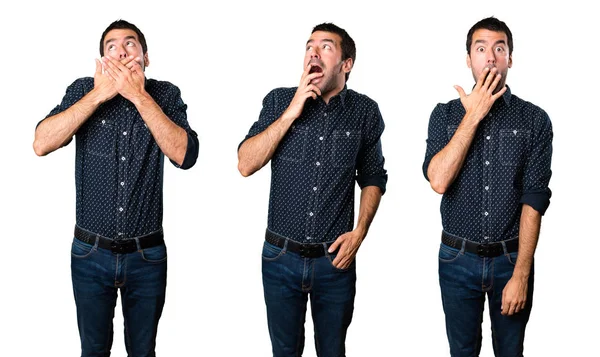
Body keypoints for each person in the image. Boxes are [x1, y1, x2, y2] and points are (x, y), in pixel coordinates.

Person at [33, 19, 198, 357]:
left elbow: (185, 155)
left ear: (146, 57)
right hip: (89, 253)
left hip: (147, 256)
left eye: (130, 44)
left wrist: (138, 97)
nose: (121, 51)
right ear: (102, 59)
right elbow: (41, 142)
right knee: (93, 351)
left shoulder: (165, 94)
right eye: (111, 47)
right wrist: (99, 94)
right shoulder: (83, 90)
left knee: (143, 351)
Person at [238, 23, 387, 357]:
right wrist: (292, 110)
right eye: (309, 47)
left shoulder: (364, 111)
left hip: (334, 261)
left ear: (346, 64)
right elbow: (245, 163)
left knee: (332, 350)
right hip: (280, 258)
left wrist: (360, 232)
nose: (313, 53)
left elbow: (374, 177)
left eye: (325, 47)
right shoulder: (279, 100)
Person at [423, 17, 553, 357]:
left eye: (500, 48)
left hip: (510, 259)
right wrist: (473, 116)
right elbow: (438, 180)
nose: (491, 57)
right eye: (481, 49)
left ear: (510, 57)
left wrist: (522, 273)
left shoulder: (535, 120)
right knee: (462, 351)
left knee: (510, 351)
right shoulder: (445, 116)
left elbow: (534, 199)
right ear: (469, 59)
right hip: (456, 259)